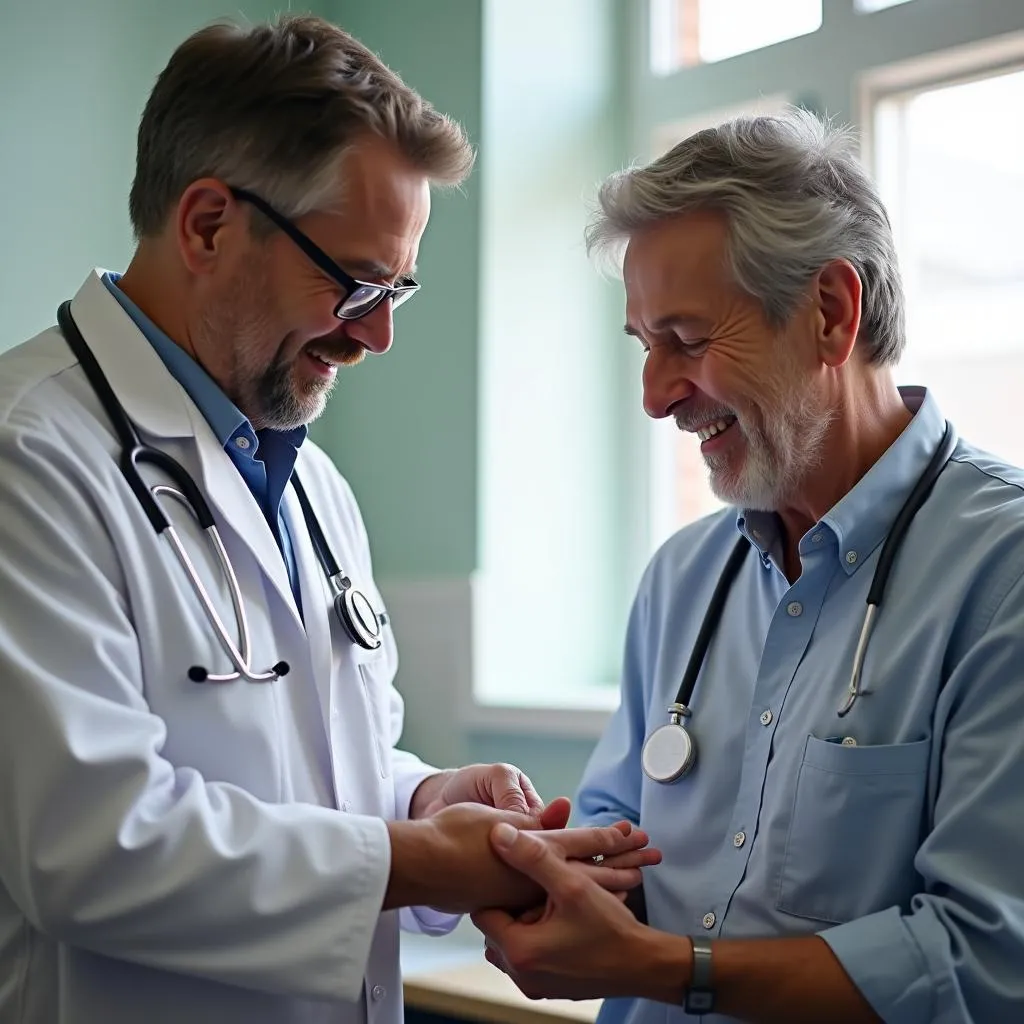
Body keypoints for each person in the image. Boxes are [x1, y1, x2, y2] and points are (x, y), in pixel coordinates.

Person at [0, 16, 659, 1024]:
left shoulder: (310, 484)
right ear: (209, 224)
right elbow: (89, 844)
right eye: (354, 281)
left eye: (398, 287)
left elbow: (311, 769)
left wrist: (421, 802)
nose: (380, 334)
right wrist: (415, 860)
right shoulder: (31, 455)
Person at [473, 108, 1024, 1023]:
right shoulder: (681, 581)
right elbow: (621, 861)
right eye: (644, 347)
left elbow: (982, 960)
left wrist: (669, 967)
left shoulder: (1000, 573)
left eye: (686, 342)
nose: (655, 398)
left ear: (830, 314)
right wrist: (532, 866)